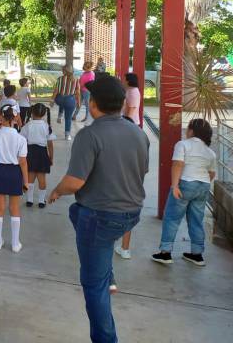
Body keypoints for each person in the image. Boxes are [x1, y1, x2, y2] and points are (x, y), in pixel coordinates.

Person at [48, 75, 149, 343]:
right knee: (75, 212)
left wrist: (56, 190)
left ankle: (106, 339)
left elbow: (74, 182)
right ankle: (109, 274)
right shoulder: (138, 133)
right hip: (132, 213)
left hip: (101, 217)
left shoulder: (89, 135)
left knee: (94, 287)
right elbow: (140, 169)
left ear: (93, 104)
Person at [152, 119, 216, 267]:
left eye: (188, 129)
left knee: (172, 218)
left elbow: (178, 164)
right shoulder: (210, 152)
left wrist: (175, 186)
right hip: (203, 186)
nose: (186, 131)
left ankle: (165, 253)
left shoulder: (183, 144)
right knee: (196, 220)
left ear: (192, 131)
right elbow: (211, 173)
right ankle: (197, 254)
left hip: (186, 183)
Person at [0, 105, 29, 253]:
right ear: (15, 118)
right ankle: (14, 243)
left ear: (1, 117)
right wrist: (25, 181)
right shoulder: (20, 139)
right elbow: (23, 162)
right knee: (14, 208)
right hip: (14, 172)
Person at [21, 103, 55, 208]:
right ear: (44, 114)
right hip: (42, 153)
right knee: (42, 179)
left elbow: (22, 140)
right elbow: (50, 144)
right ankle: (41, 201)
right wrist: (51, 157)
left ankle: (29, 200)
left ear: (31, 113)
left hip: (30, 152)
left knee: (30, 178)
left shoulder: (27, 125)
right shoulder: (46, 126)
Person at [52, 66, 80, 140]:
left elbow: (56, 91)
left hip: (59, 99)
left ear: (64, 71)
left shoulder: (60, 79)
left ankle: (60, 115)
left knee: (62, 102)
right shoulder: (76, 79)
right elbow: (78, 92)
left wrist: (52, 100)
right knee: (68, 118)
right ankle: (67, 135)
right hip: (70, 100)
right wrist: (78, 103)